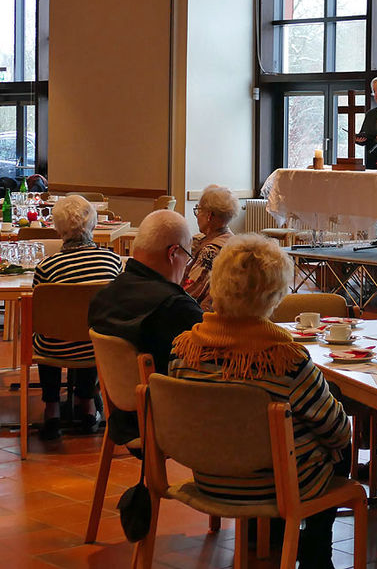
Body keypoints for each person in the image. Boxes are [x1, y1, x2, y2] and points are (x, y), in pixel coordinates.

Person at [170, 234, 351, 569]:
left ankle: (261, 534)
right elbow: (339, 433)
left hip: (208, 477)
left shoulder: (183, 350)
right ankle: (315, 554)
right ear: (275, 294)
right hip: (274, 487)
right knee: (334, 440)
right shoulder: (287, 361)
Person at [88, 210, 203, 443]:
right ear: (173, 253)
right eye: (187, 256)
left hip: (121, 418)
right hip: (168, 422)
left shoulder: (103, 297)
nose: (187, 265)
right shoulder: (176, 308)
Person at [32, 195, 122, 440]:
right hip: (97, 348)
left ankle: (51, 409)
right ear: (93, 225)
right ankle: (87, 404)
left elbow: (37, 314)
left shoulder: (46, 267)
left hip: (53, 349)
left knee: (46, 330)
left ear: (57, 229)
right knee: (94, 328)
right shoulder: (112, 262)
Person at [183, 185, 239, 311]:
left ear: (209, 215)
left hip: (203, 316)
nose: (197, 216)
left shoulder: (211, 250)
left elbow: (191, 292)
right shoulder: (232, 239)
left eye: (198, 210)